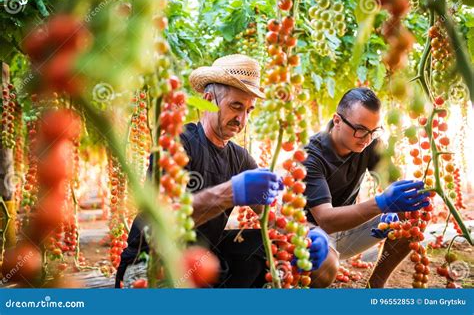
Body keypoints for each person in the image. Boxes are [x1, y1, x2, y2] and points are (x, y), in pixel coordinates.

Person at [116, 54, 329, 288]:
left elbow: (275, 216)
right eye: (235, 106)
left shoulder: (240, 158)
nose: (241, 119)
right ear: (208, 99)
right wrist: (229, 193)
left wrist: (307, 232)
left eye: (249, 110)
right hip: (150, 264)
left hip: (201, 263)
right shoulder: (178, 144)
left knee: (267, 245)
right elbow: (163, 221)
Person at [302, 87, 430, 288]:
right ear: (337, 121)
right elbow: (325, 220)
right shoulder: (311, 158)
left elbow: (393, 183)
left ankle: (375, 287)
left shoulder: (369, 142)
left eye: (374, 131)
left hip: (347, 229)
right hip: (314, 235)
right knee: (325, 269)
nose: (367, 138)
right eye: (360, 129)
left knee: (414, 210)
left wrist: (395, 210)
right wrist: (381, 203)